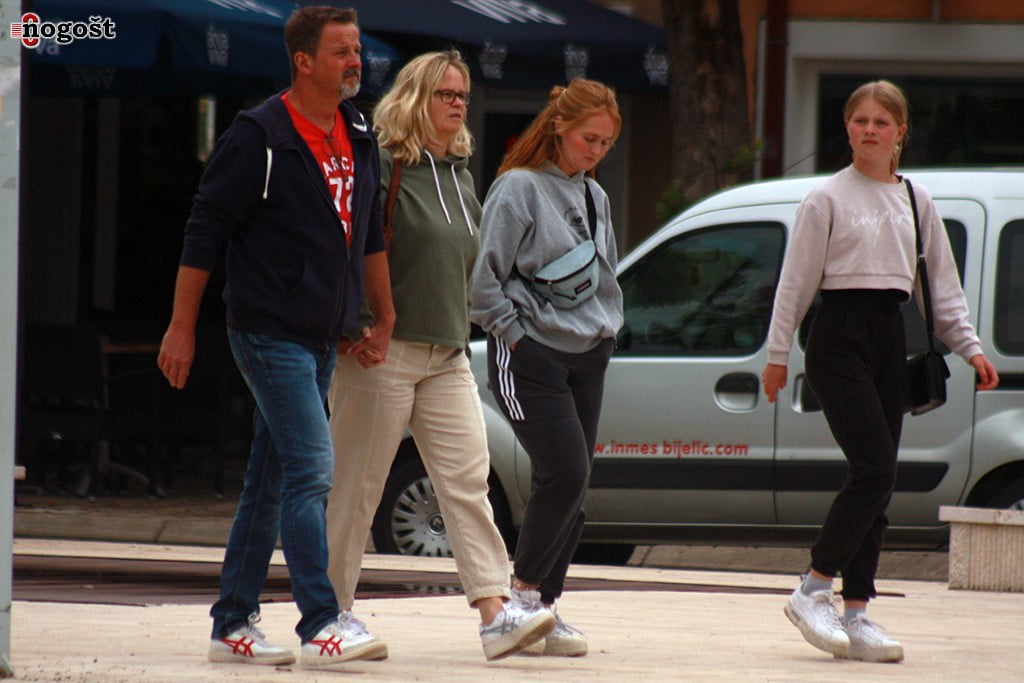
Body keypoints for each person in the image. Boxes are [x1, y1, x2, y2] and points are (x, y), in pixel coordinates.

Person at [156, 6, 395, 670]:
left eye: (357, 50)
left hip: (323, 335)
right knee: (312, 468)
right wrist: (181, 326)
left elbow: (368, 231)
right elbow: (204, 230)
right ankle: (321, 620)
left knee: (269, 479)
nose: (355, 61)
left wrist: (383, 314)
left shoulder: (358, 130)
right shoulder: (258, 135)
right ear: (304, 61)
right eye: (342, 51)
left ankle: (232, 622)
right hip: (267, 331)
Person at [324, 50, 555, 661]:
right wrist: (356, 326)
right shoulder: (382, 163)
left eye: (462, 95)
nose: (457, 104)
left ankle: (495, 613)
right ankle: (329, 614)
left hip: (448, 351)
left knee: (468, 482)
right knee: (357, 488)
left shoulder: (461, 173)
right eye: (445, 94)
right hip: (382, 351)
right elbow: (347, 247)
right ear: (414, 98)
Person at [762, 79, 999, 663]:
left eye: (881, 122)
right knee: (874, 468)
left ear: (900, 132)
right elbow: (794, 284)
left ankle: (857, 611)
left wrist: (970, 348)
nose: (869, 130)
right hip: (837, 336)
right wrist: (776, 355)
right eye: (860, 120)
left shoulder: (916, 200)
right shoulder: (824, 198)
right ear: (847, 128)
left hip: (892, 335)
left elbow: (940, 284)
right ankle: (813, 587)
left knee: (879, 478)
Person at [469, 78, 624, 658]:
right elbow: (482, 285)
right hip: (531, 351)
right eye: (589, 139)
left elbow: (604, 276)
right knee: (563, 471)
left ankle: (543, 610)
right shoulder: (518, 188)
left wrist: (606, 332)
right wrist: (519, 340)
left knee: (574, 484)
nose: (596, 151)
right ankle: (522, 599)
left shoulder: (595, 195)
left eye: (606, 143)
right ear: (559, 126)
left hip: (589, 353)